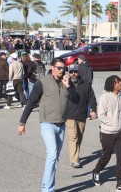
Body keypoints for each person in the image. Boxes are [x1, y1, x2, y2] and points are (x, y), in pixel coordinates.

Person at [17, 57, 78, 192]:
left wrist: (69, 86)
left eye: (64, 68)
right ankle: (47, 189)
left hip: (61, 124)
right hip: (47, 123)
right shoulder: (42, 83)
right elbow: (31, 102)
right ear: (53, 68)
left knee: (55, 158)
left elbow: (76, 99)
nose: (63, 71)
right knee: (52, 153)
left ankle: (47, 185)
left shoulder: (66, 82)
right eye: (60, 68)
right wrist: (22, 122)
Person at [92, 75, 121, 192]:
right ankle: (96, 171)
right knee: (106, 157)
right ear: (111, 84)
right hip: (107, 132)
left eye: (120, 82)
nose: (120, 83)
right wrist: (112, 124)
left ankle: (119, 184)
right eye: (117, 82)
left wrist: (120, 123)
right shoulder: (105, 97)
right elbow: (101, 115)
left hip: (120, 133)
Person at [64, 64, 97, 168]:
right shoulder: (65, 83)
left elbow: (91, 97)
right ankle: (74, 160)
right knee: (73, 137)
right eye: (71, 72)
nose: (73, 74)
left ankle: (76, 154)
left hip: (82, 114)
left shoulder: (86, 84)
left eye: (75, 72)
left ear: (78, 73)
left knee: (79, 136)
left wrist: (93, 110)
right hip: (69, 114)